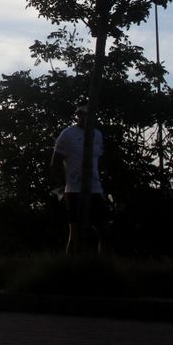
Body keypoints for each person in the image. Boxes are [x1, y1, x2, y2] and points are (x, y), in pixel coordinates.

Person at [51, 103, 110, 255]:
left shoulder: (97, 134)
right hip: (74, 189)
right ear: (78, 116)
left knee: (104, 232)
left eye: (87, 115)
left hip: (95, 189)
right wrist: (62, 188)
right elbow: (55, 163)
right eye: (81, 114)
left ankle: (104, 268)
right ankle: (70, 268)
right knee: (75, 234)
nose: (84, 118)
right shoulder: (67, 134)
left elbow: (98, 160)